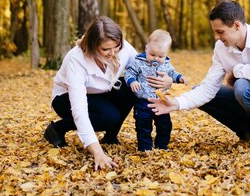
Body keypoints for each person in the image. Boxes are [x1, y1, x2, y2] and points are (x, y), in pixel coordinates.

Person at [148, 0, 250, 153]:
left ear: (236, 25)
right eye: (215, 31)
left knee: (242, 85)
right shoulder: (221, 48)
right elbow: (208, 88)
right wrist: (176, 103)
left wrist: (235, 70)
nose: (216, 37)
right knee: (208, 94)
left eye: (220, 31)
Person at [44, 16, 173, 170]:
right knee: (108, 117)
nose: (112, 53)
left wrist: (169, 81)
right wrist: (97, 152)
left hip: (100, 93)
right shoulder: (76, 60)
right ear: (93, 45)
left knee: (132, 86)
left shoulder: (123, 48)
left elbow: (144, 67)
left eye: (116, 47)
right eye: (105, 49)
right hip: (65, 99)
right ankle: (57, 129)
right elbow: (79, 110)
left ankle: (111, 136)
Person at [124, 29, 186, 151]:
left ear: (166, 53)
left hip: (161, 101)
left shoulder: (166, 63)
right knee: (143, 126)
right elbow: (129, 73)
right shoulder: (138, 62)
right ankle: (145, 148)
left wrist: (179, 78)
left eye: (160, 56)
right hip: (143, 101)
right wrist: (132, 81)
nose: (156, 58)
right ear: (146, 48)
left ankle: (162, 146)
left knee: (165, 125)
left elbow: (172, 73)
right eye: (152, 54)